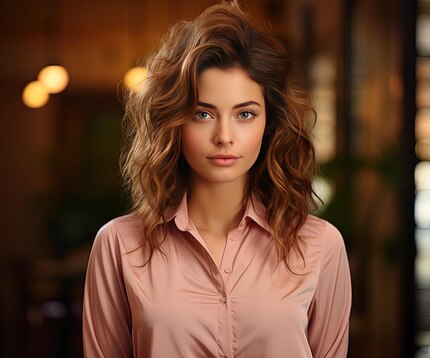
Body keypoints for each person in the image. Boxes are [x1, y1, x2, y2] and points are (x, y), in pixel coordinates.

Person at [82, 2, 351, 357]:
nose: (224, 136)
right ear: (175, 123)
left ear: (268, 124)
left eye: (244, 114)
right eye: (203, 113)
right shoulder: (119, 245)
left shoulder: (320, 246)